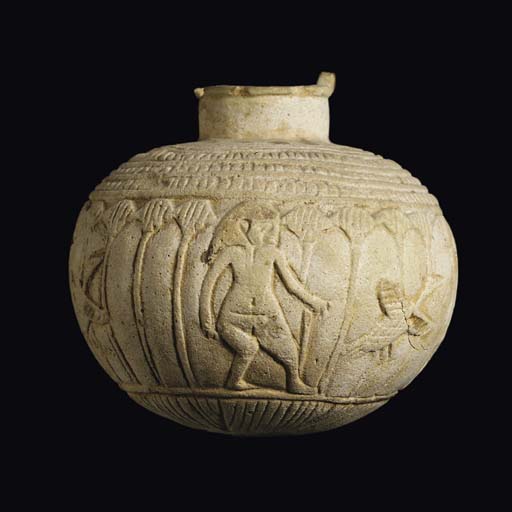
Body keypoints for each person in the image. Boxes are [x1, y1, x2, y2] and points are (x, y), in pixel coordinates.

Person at [199, 203, 328, 394]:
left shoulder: (272, 253)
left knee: (289, 351)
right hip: (233, 317)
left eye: (272, 230)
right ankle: (234, 381)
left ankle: (293, 381)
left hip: (266, 314)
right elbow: (209, 283)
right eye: (264, 229)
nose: (270, 235)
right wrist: (206, 318)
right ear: (245, 227)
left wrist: (313, 301)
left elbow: (292, 286)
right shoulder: (233, 253)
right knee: (248, 348)